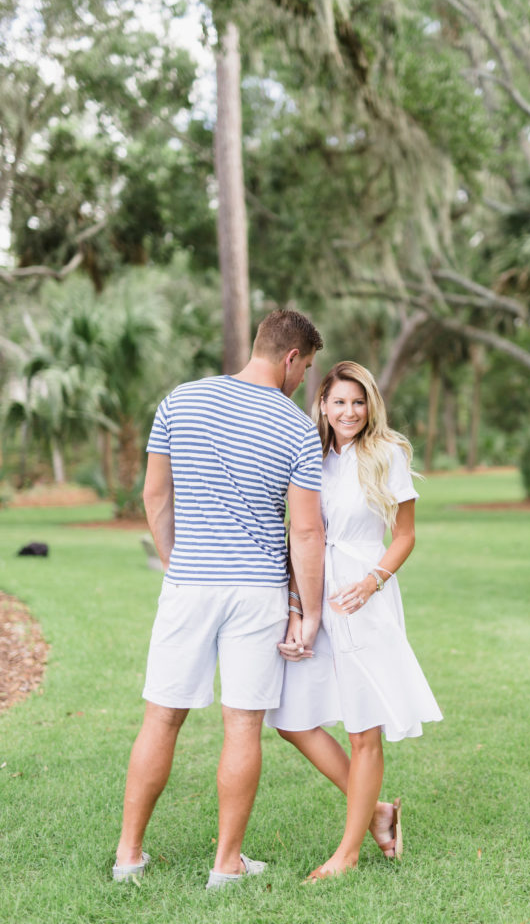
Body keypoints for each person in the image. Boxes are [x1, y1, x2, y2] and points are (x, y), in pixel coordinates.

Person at [113, 310, 325, 889]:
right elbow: (305, 533)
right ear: (290, 358)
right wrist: (309, 612)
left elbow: (155, 495)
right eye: (305, 368)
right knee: (242, 726)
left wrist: (179, 561)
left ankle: (128, 857)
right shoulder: (297, 427)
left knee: (161, 715)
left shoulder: (180, 401)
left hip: (189, 584)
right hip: (257, 592)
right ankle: (226, 866)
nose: (303, 379)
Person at [265, 361, 442, 881]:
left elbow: (405, 535)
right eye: (339, 401)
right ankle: (379, 812)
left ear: (371, 406)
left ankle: (346, 854)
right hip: (314, 588)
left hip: (363, 596)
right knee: (293, 720)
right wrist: (298, 606)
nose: (349, 411)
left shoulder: (386, 454)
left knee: (364, 732)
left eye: (358, 402)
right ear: (322, 404)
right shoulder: (308, 456)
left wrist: (372, 581)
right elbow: (302, 534)